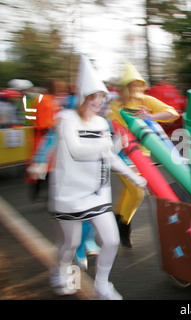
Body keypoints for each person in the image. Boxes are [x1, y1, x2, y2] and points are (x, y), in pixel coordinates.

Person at [48, 56, 147, 299]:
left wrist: (132, 175)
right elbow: (76, 150)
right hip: (70, 192)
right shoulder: (67, 119)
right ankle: (60, 272)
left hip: (97, 193)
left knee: (111, 241)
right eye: (93, 96)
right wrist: (107, 146)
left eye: (101, 97)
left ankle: (102, 285)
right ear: (83, 97)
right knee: (70, 244)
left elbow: (109, 157)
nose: (98, 101)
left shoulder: (103, 123)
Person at [110, 62, 180, 247]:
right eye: (132, 85)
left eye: (138, 84)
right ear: (125, 87)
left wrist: (150, 116)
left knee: (127, 191)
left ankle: (117, 221)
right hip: (121, 153)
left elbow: (172, 113)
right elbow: (110, 128)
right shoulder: (116, 106)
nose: (136, 88)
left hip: (142, 155)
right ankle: (123, 227)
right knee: (136, 191)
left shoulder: (145, 101)